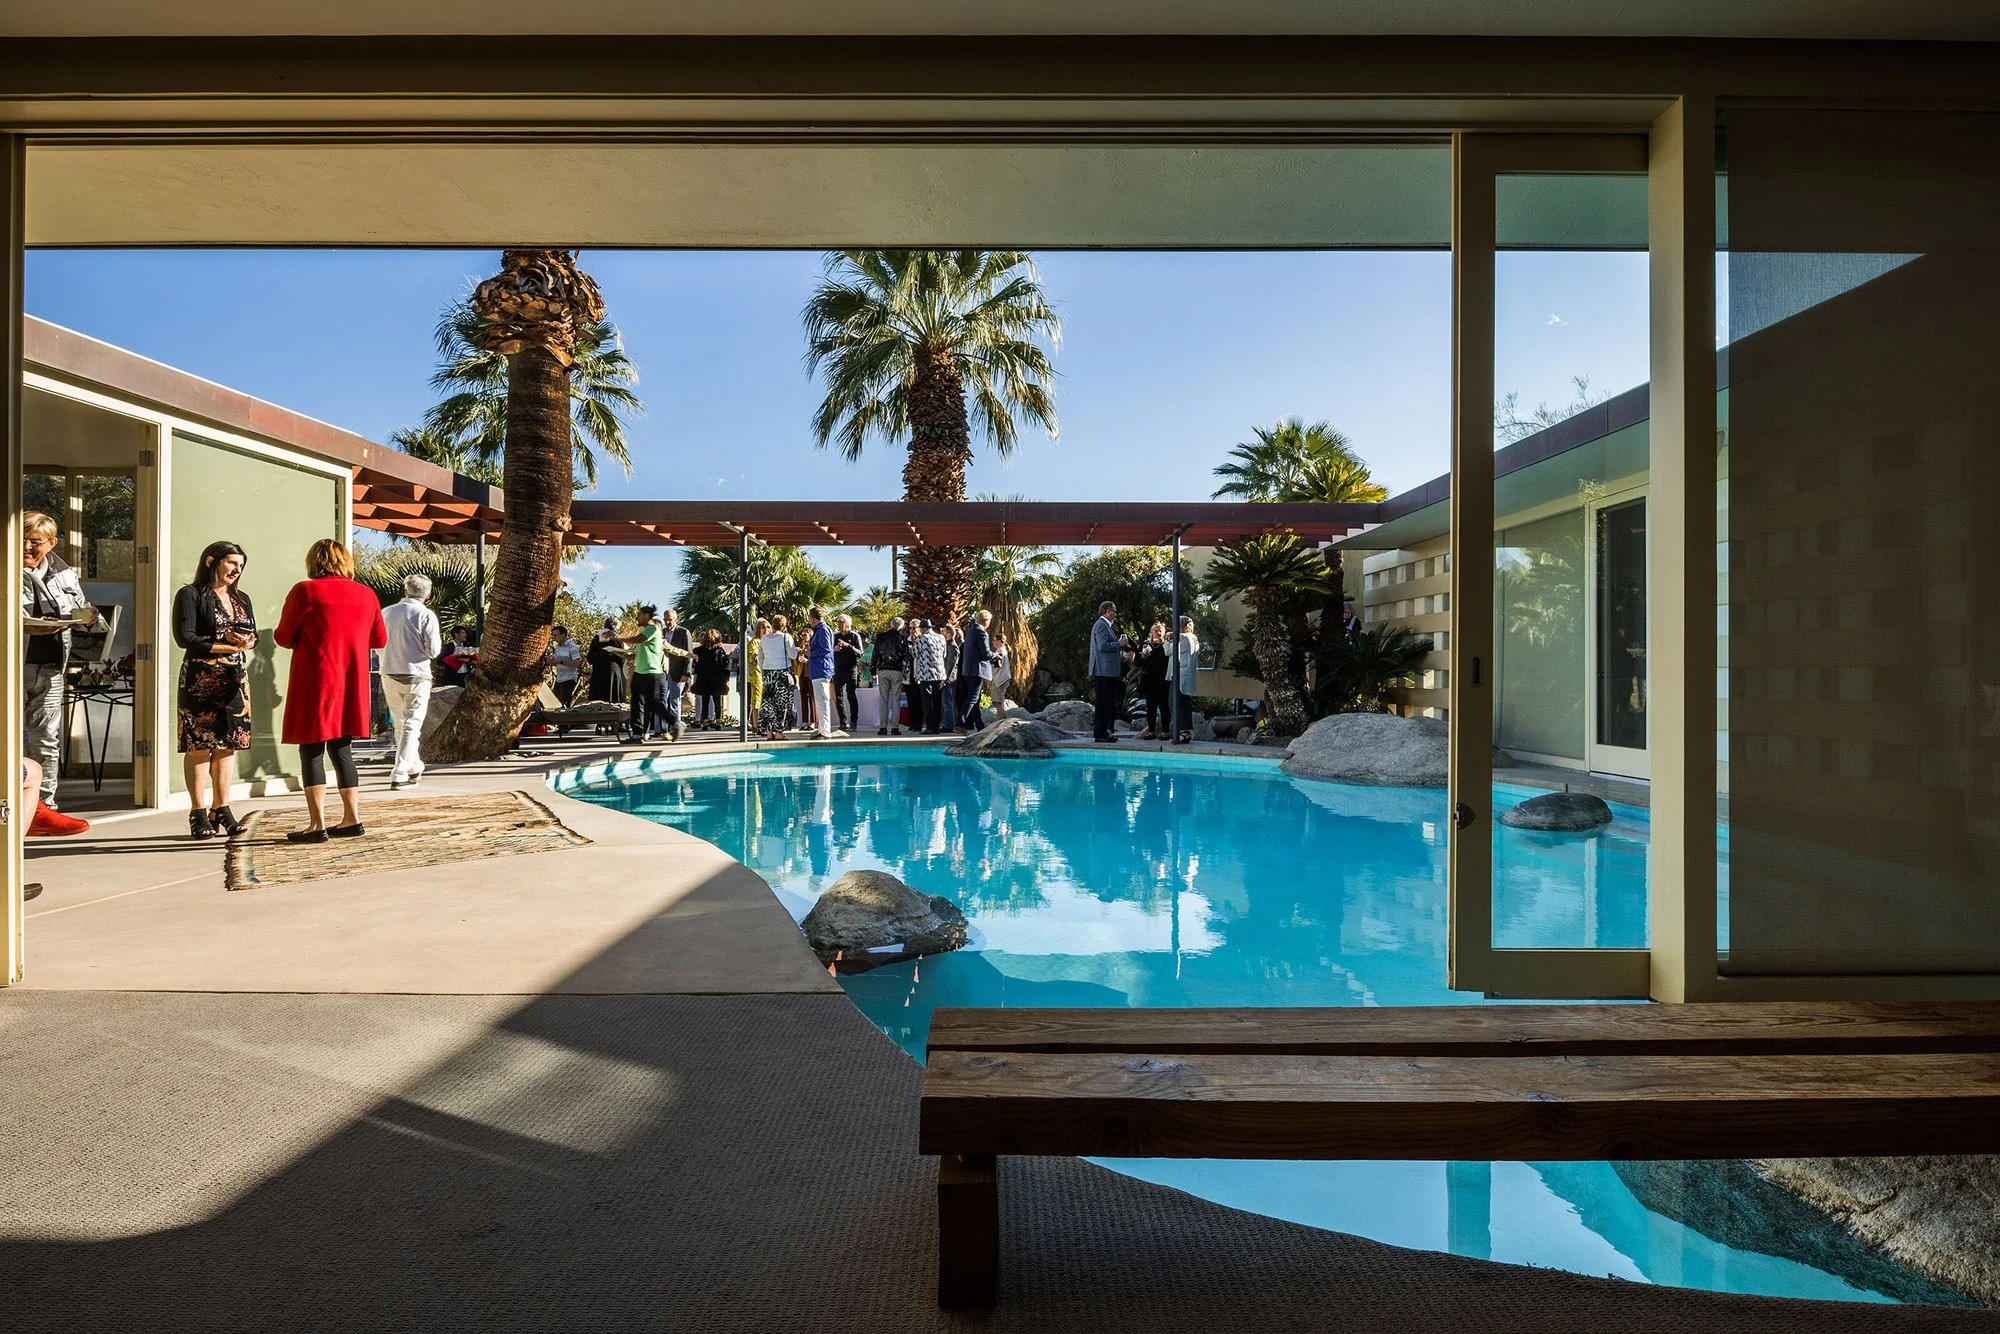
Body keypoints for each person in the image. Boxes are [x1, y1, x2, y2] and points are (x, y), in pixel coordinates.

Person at [274, 538, 387, 843]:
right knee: (342, 749)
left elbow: (283, 637)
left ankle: (316, 824)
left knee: (311, 749)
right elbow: (379, 639)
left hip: (316, 679)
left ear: (314, 562)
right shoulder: (366, 594)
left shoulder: (306, 591)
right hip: (350, 681)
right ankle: (352, 819)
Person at [169, 539, 255, 838]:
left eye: (241, 565)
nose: (237, 569)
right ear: (211, 561)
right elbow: (186, 638)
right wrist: (226, 646)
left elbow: (251, 632)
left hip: (235, 679)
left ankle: (222, 807)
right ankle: (197, 812)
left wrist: (246, 642)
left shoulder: (242, 597)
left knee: (227, 745)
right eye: (232, 563)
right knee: (199, 745)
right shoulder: (190, 594)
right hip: (200, 678)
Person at [21, 511, 99, 813]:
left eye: (35, 542)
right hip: (15, 667)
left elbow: (79, 611)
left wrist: (89, 618)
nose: (27, 547)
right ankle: (15, 808)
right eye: (22, 540)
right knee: (13, 737)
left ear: (52, 543)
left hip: (52, 667)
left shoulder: (64, 574)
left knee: (46, 739)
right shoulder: (6, 569)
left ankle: (44, 809)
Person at [379, 573, 442, 791]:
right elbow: (434, 651)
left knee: (401, 724)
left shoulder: (385, 613)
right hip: (416, 674)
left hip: (389, 673)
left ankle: (414, 766)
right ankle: (400, 773)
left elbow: (376, 643)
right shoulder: (425, 615)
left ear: (405, 590)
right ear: (428, 594)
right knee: (412, 725)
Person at [619, 605, 669, 741]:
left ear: (647, 616)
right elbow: (639, 652)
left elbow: (637, 639)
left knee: (654, 704)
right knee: (637, 703)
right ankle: (637, 734)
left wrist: (618, 637)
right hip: (640, 672)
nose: (637, 617)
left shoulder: (653, 629)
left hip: (652, 673)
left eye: (639, 614)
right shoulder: (646, 630)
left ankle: (675, 724)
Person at [1089, 600, 1127, 743]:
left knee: (1107, 702)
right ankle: (1100, 734)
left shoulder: (1105, 626)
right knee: (1103, 703)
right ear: (1107, 611)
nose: (1116, 615)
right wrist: (1119, 644)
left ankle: (1104, 732)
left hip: (1108, 671)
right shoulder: (1101, 626)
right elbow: (1102, 646)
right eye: (1114, 611)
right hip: (1104, 671)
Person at [955, 609, 995, 734]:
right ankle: (960, 722)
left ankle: (979, 724)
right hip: (977, 670)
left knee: (975, 698)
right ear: (986, 621)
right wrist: (996, 656)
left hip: (967, 669)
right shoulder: (982, 633)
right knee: (973, 697)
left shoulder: (970, 632)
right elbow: (986, 653)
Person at [757, 615, 797, 740]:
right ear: (784, 625)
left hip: (768, 672)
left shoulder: (764, 639)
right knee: (782, 703)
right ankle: (779, 732)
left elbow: (760, 657)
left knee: (768, 702)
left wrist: (763, 670)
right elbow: (793, 655)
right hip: (782, 673)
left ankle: (769, 731)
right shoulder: (786, 637)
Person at [659, 607, 694, 741]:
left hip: (678, 672)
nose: (667, 622)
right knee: (663, 701)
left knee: (674, 701)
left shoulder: (684, 632)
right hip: (663, 672)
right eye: (665, 619)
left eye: (670, 619)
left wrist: (687, 673)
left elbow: (688, 653)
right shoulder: (661, 633)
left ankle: (676, 729)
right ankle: (663, 730)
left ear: (675, 619)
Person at [871, 615, 908, 736]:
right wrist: (905, 673)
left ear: (891, 625)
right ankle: (895, 728)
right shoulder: (902, 639)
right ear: (901, 626)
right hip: (897, 670)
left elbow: (875, 654)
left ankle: (883, 728)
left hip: (883, 670)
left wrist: (872, 671)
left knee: (883, 699)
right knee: (896, 700)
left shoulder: (881, 638)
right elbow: (906, 657)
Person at [909, 617, 948, 735]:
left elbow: (914, 653)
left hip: (925, 674)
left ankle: (929, 727)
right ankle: (936, 726)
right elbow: (944, 654)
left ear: (923, 628)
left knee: (926, 701)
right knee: (937, 701)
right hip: (939, 673)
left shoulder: (921, 639)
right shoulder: (941, 638)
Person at [804, 606, 837, 739]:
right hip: (818, 669)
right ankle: (822, 729)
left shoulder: (823, 630)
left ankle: (825, 731)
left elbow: (826, 649)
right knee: (820, 701)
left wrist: (810, 653)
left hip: (821, 668)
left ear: (813, 618)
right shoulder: (820, 630)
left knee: (823, 701)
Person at [1137, 621, 1172, 739]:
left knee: (1164, 707)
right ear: (1152, 632)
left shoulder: (1167, 645)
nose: (1158, 632)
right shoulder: (1145, 645)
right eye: (1156, 630)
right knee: (1150, 708)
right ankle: (1151, 731)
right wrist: (1143, 657)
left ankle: (1165, 731)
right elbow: (1138, 662)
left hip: (1163, 680)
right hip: (1149, 681)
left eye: (1160, 630)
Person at [691, 628, 731, 729]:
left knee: (705, 700)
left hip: (704, 678)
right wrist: (726, 678)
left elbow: (695, 663)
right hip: (717, 679)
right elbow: (725, 665)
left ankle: (704, 721)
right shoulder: (719, 651)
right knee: (717, 700)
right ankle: (718, 721)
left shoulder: (699, 650)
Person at [832, 614, 864, 731]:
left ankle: (854, 722)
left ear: (848, 624)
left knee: (851, 696)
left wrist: (848, 646)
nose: (839, 625)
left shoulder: (855, 636)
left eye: (842, 622)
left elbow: (860, 653)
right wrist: (834, 649)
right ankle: (843, 722)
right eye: (838, 622)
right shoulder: (835, 636)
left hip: (851, 669)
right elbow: (829, 652)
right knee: (838, 696)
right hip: (838, 669)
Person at [585, 617, 626, 705]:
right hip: (613, 670)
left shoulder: (597, 638)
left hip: (598, 670)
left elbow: (590, 656)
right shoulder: (616, 638)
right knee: (613, 699)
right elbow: (622, 655)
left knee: (598, 699)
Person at [1174, 615, 1201, 745]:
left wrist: (1169, 640)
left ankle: (1182, 731)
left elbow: (1170, 651)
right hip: (1188, 675)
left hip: (1180, 674)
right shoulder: (1194, 639)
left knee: (1174, 702)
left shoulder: (1182, 638)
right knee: (1184, 703)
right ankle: (1184, 731)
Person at [549, 623, 583, 706]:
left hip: (569, 680)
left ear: (563, 635)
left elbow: (577, 663)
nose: (554, 638)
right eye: (553, 635)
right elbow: (556, 663)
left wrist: (560, 661)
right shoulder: (557, 649)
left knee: (564, 704)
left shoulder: (572, 647)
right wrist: (551, 661)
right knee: (554, 704)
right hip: (559, 679)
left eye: (556, 635)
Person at [941, 623, 962, 729]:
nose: (942, 633)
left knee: (947, 702)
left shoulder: (953, 647)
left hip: (949, 679)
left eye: (944, 631)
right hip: (945, 677)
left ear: (949, 633)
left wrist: (945, 678)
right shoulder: (947, 645)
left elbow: (950, 665)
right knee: (945, 702)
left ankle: (949, 725)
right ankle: (946, 723)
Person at [988, 631, 1013, 719]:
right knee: (998, 702)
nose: (993, 642)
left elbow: (997, 662)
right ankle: (1003, 719)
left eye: (995, 640)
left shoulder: (1000, 650)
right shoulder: (1003, 650)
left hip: (1000, 679)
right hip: (1002, 678)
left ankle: (1001, 720)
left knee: (997, 702)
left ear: (1000, 641)